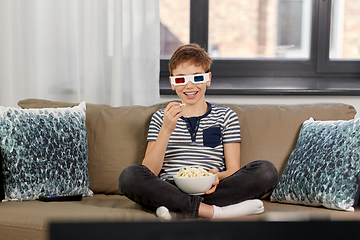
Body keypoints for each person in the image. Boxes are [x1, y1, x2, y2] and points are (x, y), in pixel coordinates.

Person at [119, 43, 278, 219]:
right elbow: (150, 171)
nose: (189, 86)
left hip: (212, 187)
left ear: (208, 79)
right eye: (180, 79)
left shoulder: (226, 116)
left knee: (266, 171)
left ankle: (173, 207)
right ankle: (212, 211)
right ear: (172, 83)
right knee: (129, 176)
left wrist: (216, 176)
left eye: (197, 78)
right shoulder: (160, 118)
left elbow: (233, 168)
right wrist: (166, 130)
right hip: (170, 186)